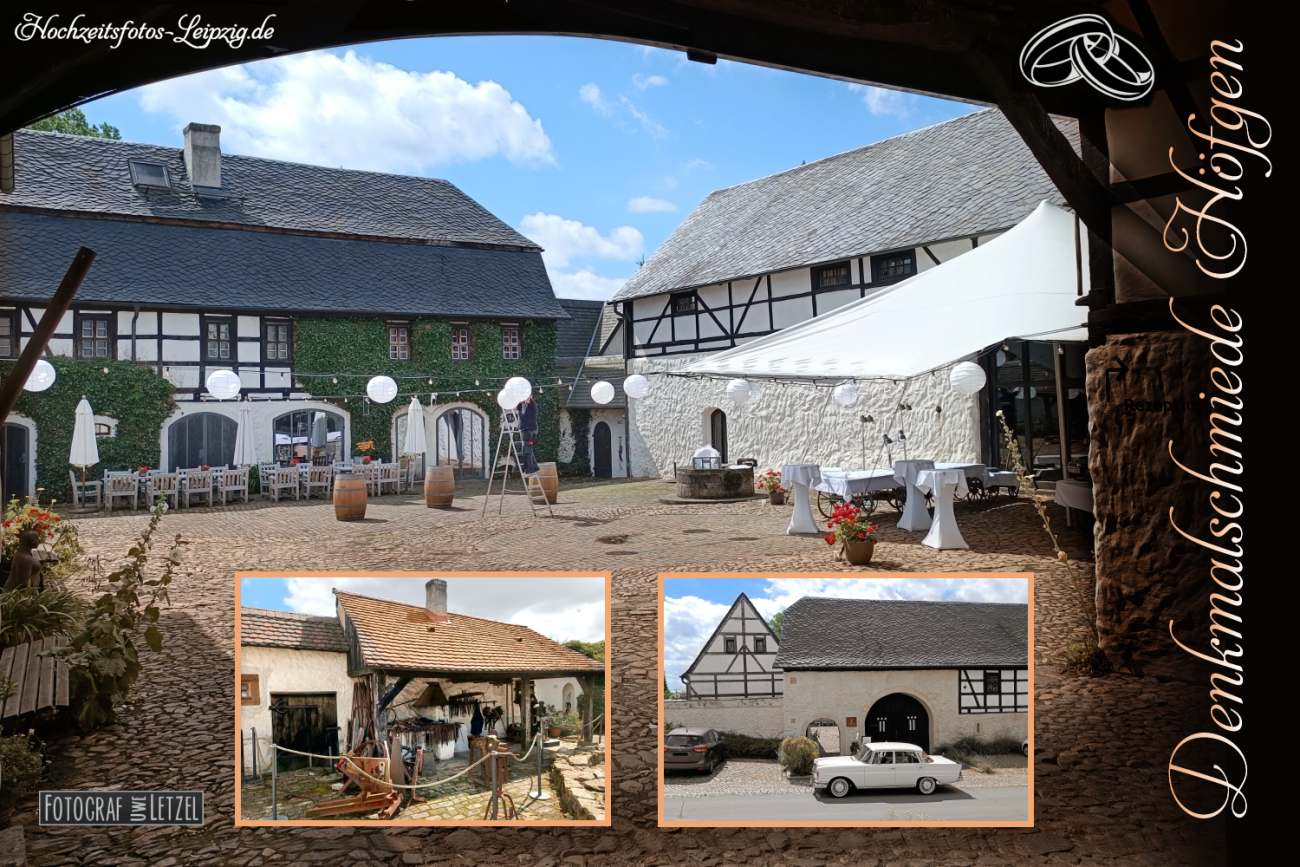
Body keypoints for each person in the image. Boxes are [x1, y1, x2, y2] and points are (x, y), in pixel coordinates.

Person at [517, 394, 540, 474]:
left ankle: (530, 468)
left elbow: (529, 402)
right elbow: (518, 407)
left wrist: (527, 398)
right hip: (526, 429)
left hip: (530, 430)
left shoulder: (532, 405)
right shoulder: (523, 405)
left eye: (527, 397)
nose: (524, 399)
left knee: (527, 449)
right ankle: (531, 466)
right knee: (527, 448)